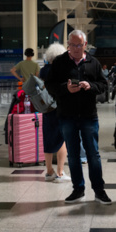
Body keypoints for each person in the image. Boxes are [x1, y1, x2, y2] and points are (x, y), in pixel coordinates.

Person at [44, 30, 111, 205]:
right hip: (67, 115)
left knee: (93, 154)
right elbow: (50, 86)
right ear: (68, 45)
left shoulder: (93, 62)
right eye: (72, 45)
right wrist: (66, 89)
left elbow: (104, 85)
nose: (75, 48)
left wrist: (91, 86)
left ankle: (99, 190)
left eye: (79, 45)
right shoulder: (59, 62)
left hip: (89, 115)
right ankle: (78, 189)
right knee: (73, 155)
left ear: (85, 45)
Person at [41, 43, 71, 183]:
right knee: (61, 139)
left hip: (46, 109)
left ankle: (49, 171)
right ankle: (60, 172)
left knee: (48, 138)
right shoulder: (60, 70)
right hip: (59, 107)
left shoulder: (43, 70)